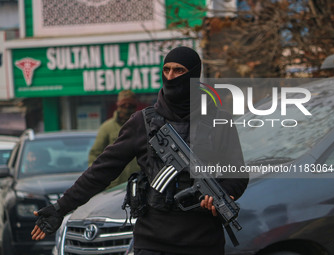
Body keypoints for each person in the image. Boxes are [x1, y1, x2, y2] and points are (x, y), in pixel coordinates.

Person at [31, 46, 249, 255]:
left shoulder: (219, 120)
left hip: (203, 241)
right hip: (153, 241)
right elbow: (101, 170)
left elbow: (237, 174)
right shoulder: (143, 122)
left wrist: (222, 194)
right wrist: (60, 208)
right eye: (166, 69)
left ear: (193, 75)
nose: (171, 76)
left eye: (179, 70)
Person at [88, 89, 139, 188]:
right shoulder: (107, 128)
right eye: (123, 106)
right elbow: (95, 155)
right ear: (118, 106)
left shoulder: (141, 125)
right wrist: (97, 177)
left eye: (130, 106)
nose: (127, 109)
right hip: (114, 186)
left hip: (138, 184)